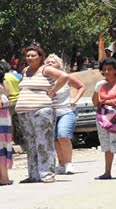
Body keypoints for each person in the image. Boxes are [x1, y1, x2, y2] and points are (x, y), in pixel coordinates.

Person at [15, 43, 68, 183]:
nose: (30, 58)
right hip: (25, 112)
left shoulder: (46, 69)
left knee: (44, 142)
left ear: (40, 57)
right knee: (30, 143)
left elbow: (63, 77)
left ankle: (47, 173)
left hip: (41, 110)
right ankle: (34, 174)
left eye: (33, 55)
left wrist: (52, 92)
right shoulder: (25, 70)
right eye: (28, 55)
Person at [45, 54, 86, 175]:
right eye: (48, 62)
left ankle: (69, 163)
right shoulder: (44, 78)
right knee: (55, 140)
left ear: (59, 65)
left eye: (53, 62)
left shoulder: (65, 77)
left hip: (66, 111)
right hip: (50, 113)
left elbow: (81, 86)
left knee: (63, 135)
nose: (50, 64)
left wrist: (75, 99)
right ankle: (61, 163)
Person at [92, 57, 116, 180]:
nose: (106, 72)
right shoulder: (101, 84)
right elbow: (95, 102)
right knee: (106, 145)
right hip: (102, 118)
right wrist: (97, 90)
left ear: (115, 70)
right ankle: (107, 172)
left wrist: (105, 101)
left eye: (110, 69)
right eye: (104, 69)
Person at [0, 60, 24, 148]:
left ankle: (11, 140)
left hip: (9, 101)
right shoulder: (17, 76)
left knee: (9, 122)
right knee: (18, 121)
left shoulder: (2, 77)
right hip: (19, 100)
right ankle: (23, 139)